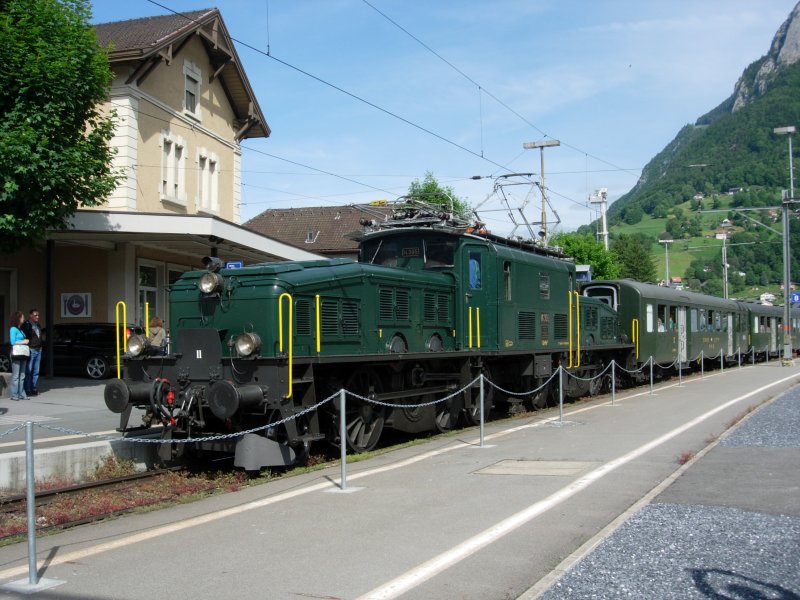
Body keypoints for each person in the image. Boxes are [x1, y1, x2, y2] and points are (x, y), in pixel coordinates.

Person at [9, 311, 29, 400]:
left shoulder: (20, 329)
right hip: (17, 353)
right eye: (22, 317)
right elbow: (12, 342)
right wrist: (23, 341)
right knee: (16, 375)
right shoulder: (13, 329)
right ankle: (14, 394)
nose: (23, 319)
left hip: (23, 353)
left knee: (22, 374)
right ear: (18, 318)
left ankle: (21, 393)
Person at [22, 308, 42, 396]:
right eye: (35, 315)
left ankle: (33, 388)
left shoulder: (38, 325)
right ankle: (27, 389)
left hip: (38, 349)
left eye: (38, 315)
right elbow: (24, 336)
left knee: (36, 371)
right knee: (29, 370)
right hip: (31, 349)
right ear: (31, 316)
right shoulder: (27, 324)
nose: (37, 317)